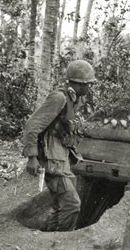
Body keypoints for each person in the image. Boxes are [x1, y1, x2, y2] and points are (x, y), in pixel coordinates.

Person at [23, 60, 96, 231]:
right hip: (52, 160)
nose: (89, 88)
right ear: (80, 84)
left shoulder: (73, 99)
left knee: (60, 206)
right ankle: (61, 240)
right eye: (88, 84)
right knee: (72, 205)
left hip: (61, 157)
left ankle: (50, 238)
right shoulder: (59, 97)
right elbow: (32, 125)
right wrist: (32, 158)